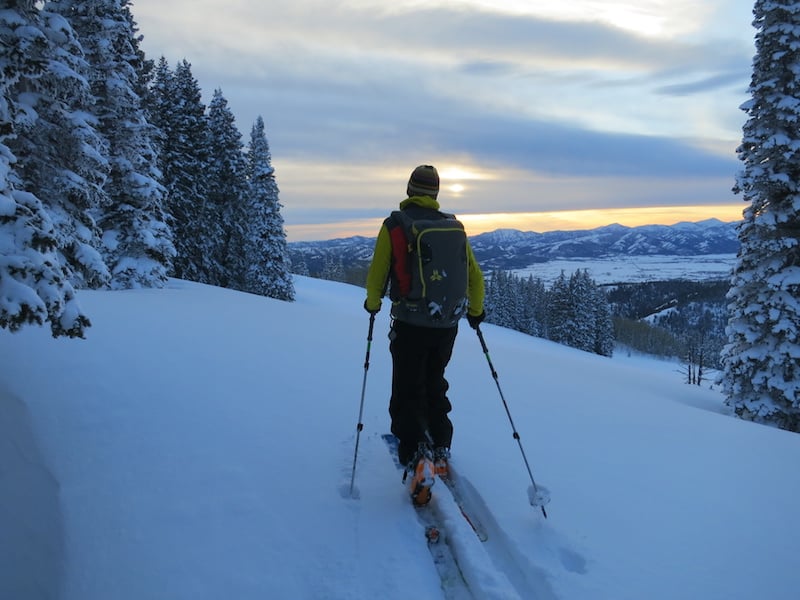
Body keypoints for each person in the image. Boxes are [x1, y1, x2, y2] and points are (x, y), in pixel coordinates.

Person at [364, 164, 485, 506]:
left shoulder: (395, 226)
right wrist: (475, 311)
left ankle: (417, 454)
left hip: (410, 322)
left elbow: (378, 271)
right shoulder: (453, 226)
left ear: (409, 190)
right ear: (435, 193)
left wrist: (372, 303)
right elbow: (475, 277)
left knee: (406, 386)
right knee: (435, 380)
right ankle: (441, 445)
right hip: (447, 323)